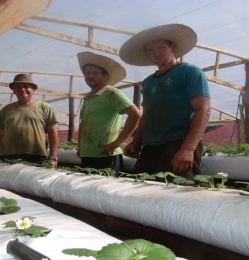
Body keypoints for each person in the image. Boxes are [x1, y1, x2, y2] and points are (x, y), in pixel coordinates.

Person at [119, 24, 210, 180]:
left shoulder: (189, 72)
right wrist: (137, 141)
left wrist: (188, 149)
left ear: (173, 47)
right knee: (142, 190)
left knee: (178, 194)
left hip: (178, 143)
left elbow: (203, 110)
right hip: (150, 147)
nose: (156, 53)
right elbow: (147, 114)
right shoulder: (148, 82)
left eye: (161, 48)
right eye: (151, 50)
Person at [77, 51, 141, 172]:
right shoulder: (87, 98)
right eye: (87, 73)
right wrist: (80, 147)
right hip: (88, 154)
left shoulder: (112, 93)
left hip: (107, 155)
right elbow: (83, 124)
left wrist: (117, 143)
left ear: (105, 76)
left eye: (95, 73)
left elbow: (135, 114)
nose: (90, 76)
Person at [0, 74, 59, 167]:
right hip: (7, 155)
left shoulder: (44, 107)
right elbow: (0, 134)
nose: (22, 89)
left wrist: (53, 156)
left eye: (26, 86)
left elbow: (53, 132)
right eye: (18, 87)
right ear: (14, 91)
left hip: (35, 155)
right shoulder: (6, 109)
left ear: (33, 90)